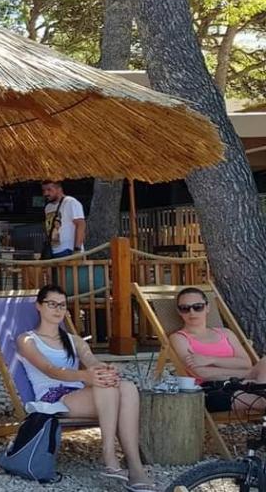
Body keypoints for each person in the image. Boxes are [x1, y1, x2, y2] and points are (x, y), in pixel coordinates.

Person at [17, 285, 153, 491]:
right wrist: (84, 376)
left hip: (79, 394)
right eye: (52, 304)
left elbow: (92, 363)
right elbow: (50, 370)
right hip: (53, 397)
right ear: (39, 306)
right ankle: (109, 455)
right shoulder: (27, 340)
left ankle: (135, 468)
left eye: (62, 305)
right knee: (106, 388)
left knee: (127, 387)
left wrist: (105, 370)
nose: (58, 309)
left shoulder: (75, 341)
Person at [168, 287, 266, 413]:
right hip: (213, 390)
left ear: (207, 307)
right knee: (263, 400)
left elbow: (246, 362)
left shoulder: (226, 333)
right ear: (179, 311)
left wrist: (209, 360)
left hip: (246, 383)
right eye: (185, 308)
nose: (192, 312)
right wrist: (246, 373)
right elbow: (201, 373)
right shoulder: (179, 338)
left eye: (198, 307)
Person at [41, 181, 86, 259]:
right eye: (44, 190)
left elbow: (81, 225)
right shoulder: (48, 207)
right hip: (53, 249)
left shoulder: (70, 202)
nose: (45, 193)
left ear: (59, 189)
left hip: (68, 249)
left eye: (49, 190)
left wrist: (77, 249)